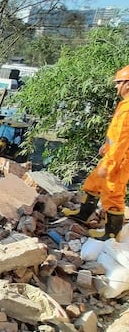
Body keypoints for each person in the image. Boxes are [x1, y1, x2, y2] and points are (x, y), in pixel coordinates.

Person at [62, 65, 129, 240]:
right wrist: (105, 147)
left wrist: (110, 165)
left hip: (119, 160)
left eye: (118, 82)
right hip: (113, 156)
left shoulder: (128, 109)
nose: (116, 86)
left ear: (127, 84)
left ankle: (112, 232)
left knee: (112, 192)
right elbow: (116, 135)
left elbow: (122, 141)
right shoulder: (125, 105)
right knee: (93, 183)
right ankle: (83, 214)